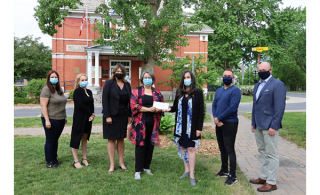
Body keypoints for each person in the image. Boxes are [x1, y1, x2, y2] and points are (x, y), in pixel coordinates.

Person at [249, 62, 286, 192]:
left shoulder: (277, 85)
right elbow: (255, 106)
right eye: (259, 70)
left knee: (272, 154)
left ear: (270, 70)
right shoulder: (257, 85)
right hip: (258, 125)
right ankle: (264, 177)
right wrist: (253, 123)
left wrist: (274, 126)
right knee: (262, 152)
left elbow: (280, 107)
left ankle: (272, 182)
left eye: (264, 69)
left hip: (270, 126)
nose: (261, 71)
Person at [164, 70, 204, 186]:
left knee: (191, 148)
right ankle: (186, 170)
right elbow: (175, 107)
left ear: (192, 79)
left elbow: (201, 112)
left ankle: (192, 174)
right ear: (182, 80)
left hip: (192, 127)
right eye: (185, 77)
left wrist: (199, 128)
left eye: (189, 77)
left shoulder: (198, 93)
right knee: (182, 147)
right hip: (180, 127)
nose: (187, 79)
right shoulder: (179, 92)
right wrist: (167, 109)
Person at [129, 70, 164, 180]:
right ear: (142, 79)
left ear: (152, 79)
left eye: (149, 77)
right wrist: (148, 109)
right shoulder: (137, 91)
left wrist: (159, 109)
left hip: (153, 123)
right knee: (140, 145)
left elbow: (162, 105)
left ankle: (146, 167)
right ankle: (138, 170)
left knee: (150, 145)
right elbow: (133, 105)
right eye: (145, 77)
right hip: (140, 123)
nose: (147, 79)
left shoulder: (157, 92)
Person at [212, 68, 241, 186]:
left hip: (230, 123)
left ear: (233, 78)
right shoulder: (219, 90)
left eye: (229, 75)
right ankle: (224, 170)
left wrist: (219, 118)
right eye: (225, 75)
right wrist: (215, 118)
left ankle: (233, 176)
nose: (226, 77)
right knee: (222, 148)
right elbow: (214, 105)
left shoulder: (236, 91)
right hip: (218, 123)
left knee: (229, 149)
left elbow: (232, 108)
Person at [102, 63, 132, 174]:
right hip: (111, 116)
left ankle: (121, 163)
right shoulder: (109, 83)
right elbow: (105, 100)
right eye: (117, 71)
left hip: (123, 116)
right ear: (114, 72)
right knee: (111, 139)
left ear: (124, 73)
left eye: (121, 72)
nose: (119, 73)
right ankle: (112, 165)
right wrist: (107, 115)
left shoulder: (127, 84)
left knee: (121, 139)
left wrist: (130, 115)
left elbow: (130, 101)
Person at [40, 70, 68, 168]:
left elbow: (62, 104)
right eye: (52, 77)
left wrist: (64, 117)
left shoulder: (58, 90)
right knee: (50, 140)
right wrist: (47, 120)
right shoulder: (46, 89)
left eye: (56, 77)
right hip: (51, 119)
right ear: (48, 78)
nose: (54, 79)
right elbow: (43, 106)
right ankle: (49, 162)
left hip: (60, 119)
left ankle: (54, 159)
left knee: (55, 140)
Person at [70, 73, 95, 169]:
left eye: (86, 79)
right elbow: (80, 105)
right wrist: (91, 113)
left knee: (85, 138)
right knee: (76, 138)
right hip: (79, 118)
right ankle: (76, 161)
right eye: (82, 80)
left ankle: (84, 159)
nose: (84, 81)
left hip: (88, 119)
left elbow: (91, 104)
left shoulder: (89, 91)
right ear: (78, 82)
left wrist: (92, 114)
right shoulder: (77, 91)